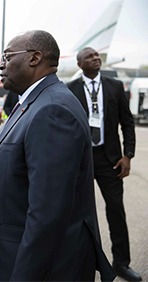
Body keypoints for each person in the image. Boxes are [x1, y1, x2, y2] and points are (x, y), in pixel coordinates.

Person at [0, 30, 116, 281]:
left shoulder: (52, 110)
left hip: (32, 265)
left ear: (35, 58)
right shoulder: (33, 101)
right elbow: (15, 170)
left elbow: (47, 212)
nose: (1, 64)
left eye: (7, 56)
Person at [67, 47, 141, 282]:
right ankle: (80, 264)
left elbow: (127, 123)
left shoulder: (114, 86)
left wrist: (128, 155)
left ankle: (121, 264)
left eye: (97, 55)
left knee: (116, 210)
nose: (96, 58)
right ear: (79, 64)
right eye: (89, 56)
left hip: (110, 160)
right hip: (82, 161)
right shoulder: (70, 90)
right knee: (78, 213)